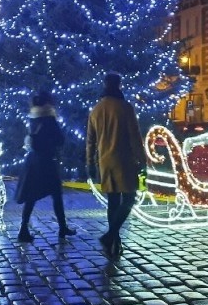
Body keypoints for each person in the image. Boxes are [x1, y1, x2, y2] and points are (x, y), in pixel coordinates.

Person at [86, 72, 146, 258]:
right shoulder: (125, 107)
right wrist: (142, 161)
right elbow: (135, 137)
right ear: (118, 85)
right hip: (124, 160)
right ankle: (111, 236)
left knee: (113, 202)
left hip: (105, 161)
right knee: (129, 200)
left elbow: (90, 141)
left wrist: (89, 162)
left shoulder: (95, 110)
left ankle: (114, 242)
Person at [15, 90, 77, 243]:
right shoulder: (49, 118)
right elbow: (60, 139)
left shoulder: (33, 117)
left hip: (33, 161)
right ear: (48, 103)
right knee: (56, 195)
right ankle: (62, 227)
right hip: (48, 161)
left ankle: (23, 228)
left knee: (31, 196)